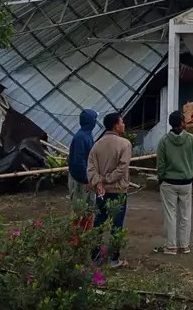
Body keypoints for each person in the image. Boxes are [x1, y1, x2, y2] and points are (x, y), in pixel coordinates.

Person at [87, 112, 132, 268]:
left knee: (99, 223)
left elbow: (91, 168)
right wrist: (107, 179)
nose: (124, 125)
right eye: (122, 122)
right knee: (117, 225)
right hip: (118, 191)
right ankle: (114, 259)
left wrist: (98, 182)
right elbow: (122, 168)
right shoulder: (124, 144)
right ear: (115, 125)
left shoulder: (96, 145)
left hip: (101, 192)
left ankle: (95, 256)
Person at [155, 110, 193, 255]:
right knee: (185, 215)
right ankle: (184, 246)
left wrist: (161, 178)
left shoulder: (164, 140)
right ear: (181, 123)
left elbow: (160, 164)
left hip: (168, 182)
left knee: (170, 215)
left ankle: (171, 246)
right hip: (186, 182)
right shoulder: (191, 139)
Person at [67, 109, 97, 217]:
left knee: (89, 208)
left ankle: (86, 231)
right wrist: (85, 179)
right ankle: (78, 233)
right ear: (91, 121)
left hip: (86, 177)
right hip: (80, 179)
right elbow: (79, 161)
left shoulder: (86, 135)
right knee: (79, 209)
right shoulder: (81, 137)